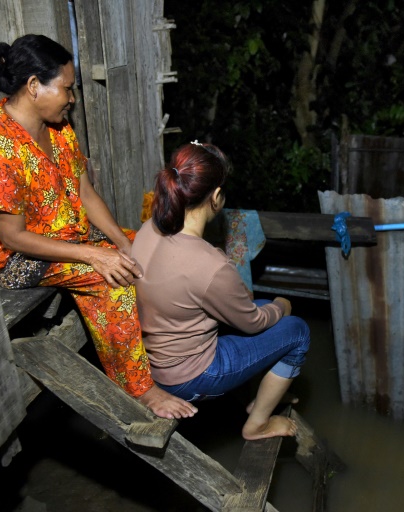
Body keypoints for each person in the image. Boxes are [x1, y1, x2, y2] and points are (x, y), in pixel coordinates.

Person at [0, 34, 196, 420]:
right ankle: (139, 390)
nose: (72, 98)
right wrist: (96, 254)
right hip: (20, 260)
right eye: (68, 88)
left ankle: (169, 348)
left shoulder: (59, 130)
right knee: (111, 276)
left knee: (150, 246)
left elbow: (86, 194)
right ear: (34, 86)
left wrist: (122, 241)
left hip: (69, 238)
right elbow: (12, 237)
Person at [131, 142, 311, 440]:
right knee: (297, 330)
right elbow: (252, 322)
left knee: (262, 305)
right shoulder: (210, 263)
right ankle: (257, 424)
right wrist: (282, 305)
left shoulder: (150, 228)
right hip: (193, 377)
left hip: (158, 358)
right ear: (215, 197)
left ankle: (268, 389)